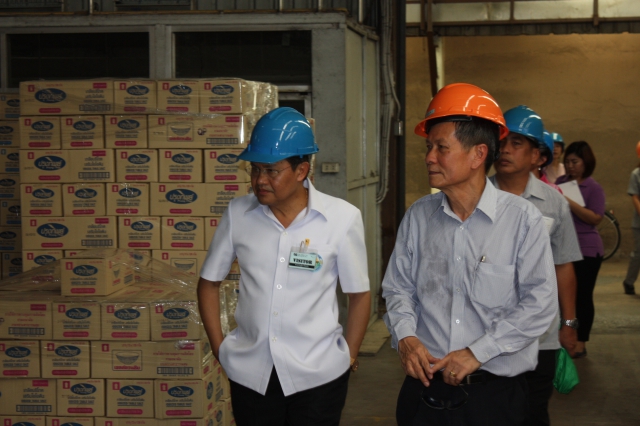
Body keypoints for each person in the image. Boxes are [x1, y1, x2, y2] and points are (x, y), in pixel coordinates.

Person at [382, 83, 558, 426]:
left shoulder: (522, 220)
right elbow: (398, 288)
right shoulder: (419, 216)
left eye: (441, 148)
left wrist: (477, 352)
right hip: (424, 390)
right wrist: (406, 337)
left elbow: (539, 305)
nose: (429, 157)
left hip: (493, 397)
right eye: (428, 147)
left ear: (478, 155)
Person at [197, 107, 371, 425]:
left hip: (319, 377)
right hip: (252, 376)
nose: (259, 180)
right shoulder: (238, 215)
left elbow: (359, 295)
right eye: (255, 169)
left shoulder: (342, 219)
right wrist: (220, 349)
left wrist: (349, 355)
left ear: (302, 170)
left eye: (271, 171)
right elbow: (208, 283)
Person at [492, 105, 582, 426]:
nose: (505, 149)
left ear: (537, 157)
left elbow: (563, 265)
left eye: (516, 143)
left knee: (532, 412)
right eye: (502, 142)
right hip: (487, 332)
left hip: (539, 337)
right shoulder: (476, 197)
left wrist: (568, 324)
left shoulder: (553, 202)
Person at [556, 141, 605, 358]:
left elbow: (595, 218)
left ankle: (581, 341)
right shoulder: (560, 183)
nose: (570, 166)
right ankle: (564, 336)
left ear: (586, 163)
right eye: (567, 162)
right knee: (564, 296)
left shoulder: (593, 187)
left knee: (583, 296)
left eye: (575, 162)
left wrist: (568, 201)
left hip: (587, 249)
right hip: (564, 247)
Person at [622, 141, 640, 295]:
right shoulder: (636, 174)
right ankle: (629, 281)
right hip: (639, 223)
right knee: (639, 253)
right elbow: (635, 197)